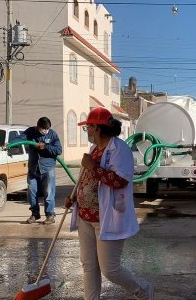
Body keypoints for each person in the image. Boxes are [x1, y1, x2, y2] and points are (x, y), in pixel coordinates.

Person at [66, 107, 154, 300]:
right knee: (89, 266)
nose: (87, 131)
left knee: (110, 269)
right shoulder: (94, 149)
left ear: (98, 128)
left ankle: (143, 290)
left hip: (107, 218)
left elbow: (120, 181)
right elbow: (87, 178)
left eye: (88, 127)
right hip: (85, 216)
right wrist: (75, 196)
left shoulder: (119, 149)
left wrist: (94, 167)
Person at [13, 117, 62, 224]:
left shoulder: (53, 134)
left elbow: (58, 150)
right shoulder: (31, 132)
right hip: (33, 169)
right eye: (43, 129)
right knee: (31, 192)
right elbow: (21, 138)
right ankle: (35, 214)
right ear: (38, 127)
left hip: (48, 169)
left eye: (47, 129)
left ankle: (50, 215)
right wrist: (10, 144)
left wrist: (46, 146)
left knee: (49, 192)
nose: (45, 131)